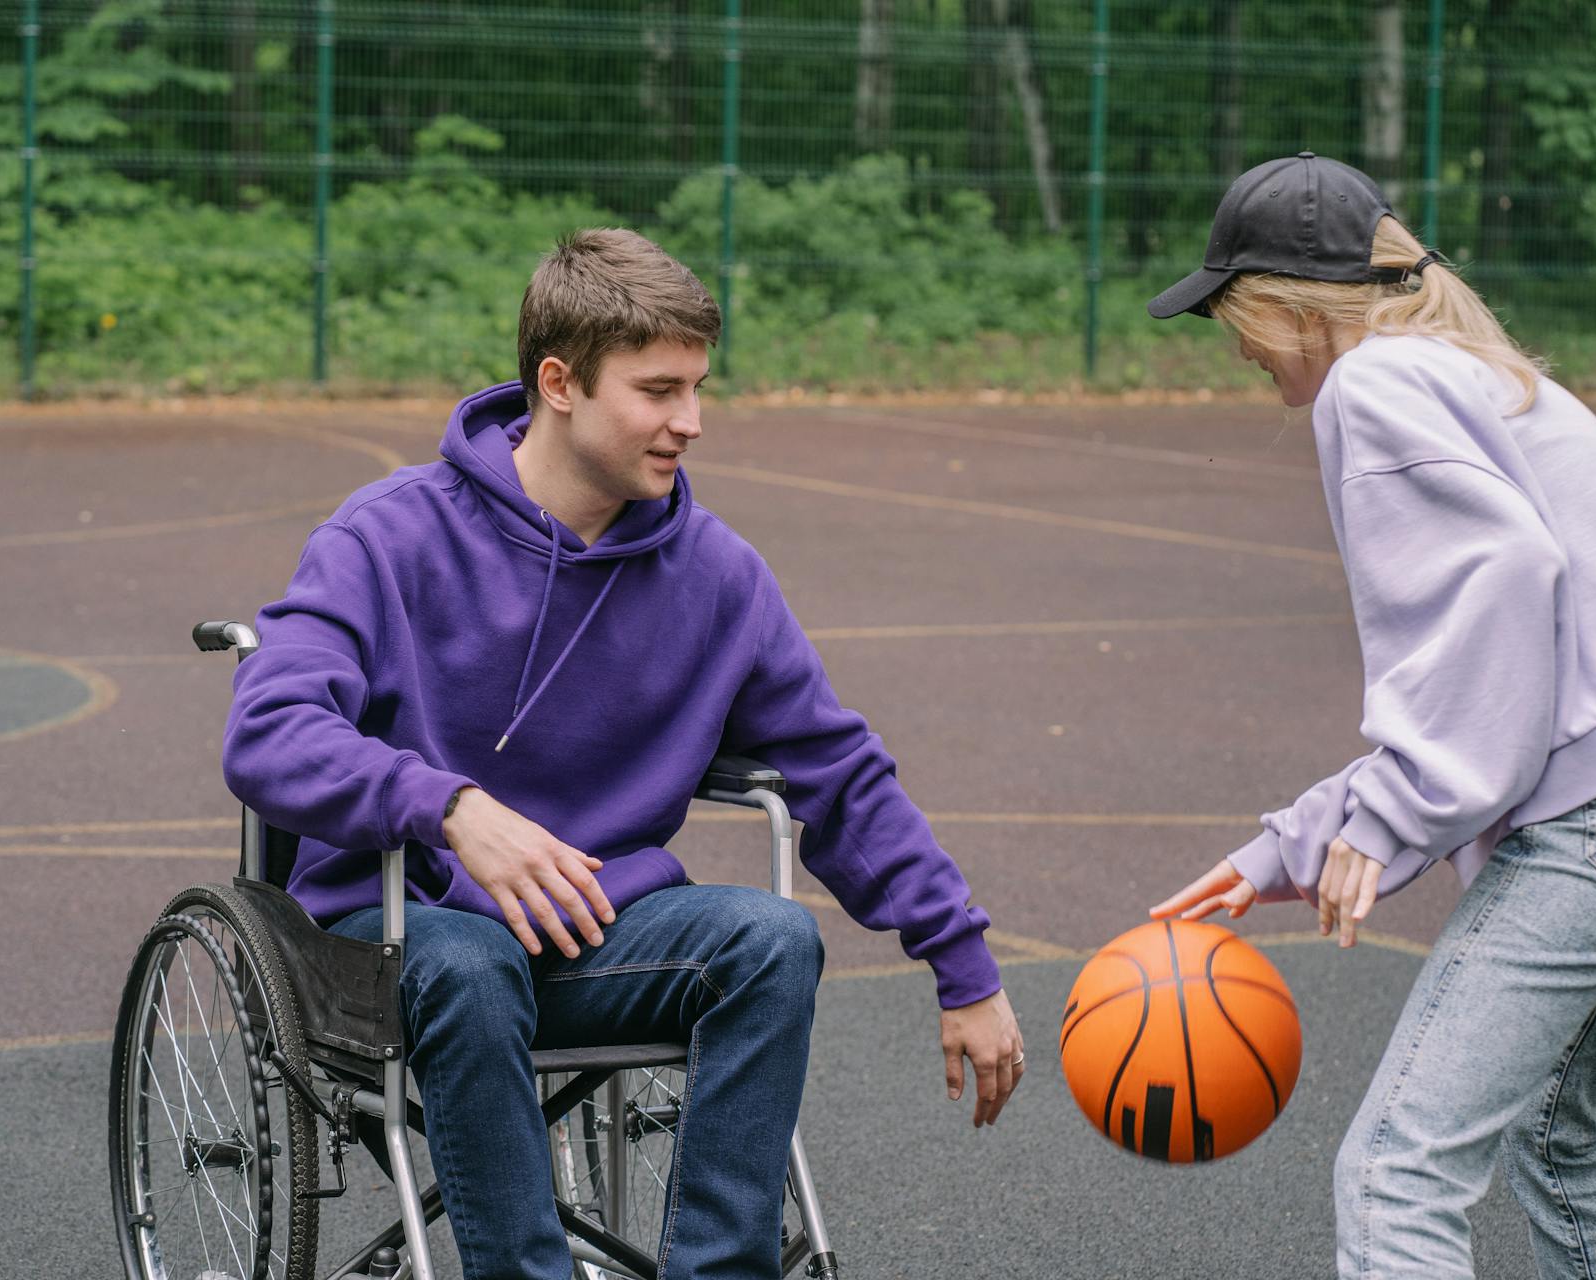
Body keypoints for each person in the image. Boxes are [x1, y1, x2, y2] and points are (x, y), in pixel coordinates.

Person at [222, 227, 1025, 1280]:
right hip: (392, 934)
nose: (689, 421)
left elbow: (840, 773)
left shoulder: (718, 576)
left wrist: (962, 963)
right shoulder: (388, 536)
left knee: (771, 938)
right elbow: (268, 729)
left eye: (697, 388)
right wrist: (451, 806)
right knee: (470, 962)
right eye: (657, 390)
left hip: (595, 930)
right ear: (559, 381)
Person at [1145, 152, 1596, 1279]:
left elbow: (1500, 583)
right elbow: (1529, 657)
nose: (1233, 342)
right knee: (1553, 1125)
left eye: (1230, 311)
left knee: (1396, 1169)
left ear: (1290, 305)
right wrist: (1291, 844)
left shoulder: (1376, 383)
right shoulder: (1475, 372)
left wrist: (1394, 812)